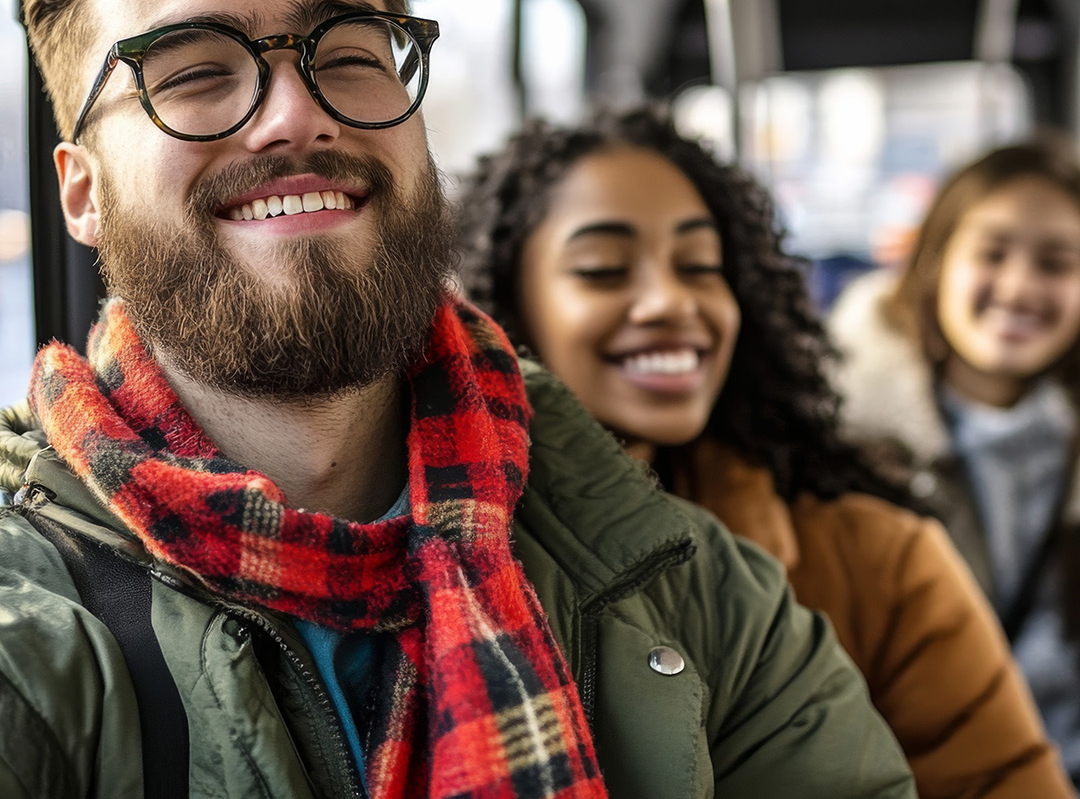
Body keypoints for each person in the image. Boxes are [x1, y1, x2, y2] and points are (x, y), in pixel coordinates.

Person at [0, 0, 916, 799]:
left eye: (349, 56)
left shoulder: (690, 593)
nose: (298, 114)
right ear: (81, 192)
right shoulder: (32, 626)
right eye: (198, 74)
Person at [455, 107, 1075, 798]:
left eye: (701, 266)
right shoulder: (437, 567)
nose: (672, 301)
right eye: (603, 270)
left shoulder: (884, 563)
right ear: (502, 303)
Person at [830, 136, 1080, 786]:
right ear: (935, 262)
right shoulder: (839, 447)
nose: (1019, 287)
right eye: (992, 254)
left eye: (1056, 263)